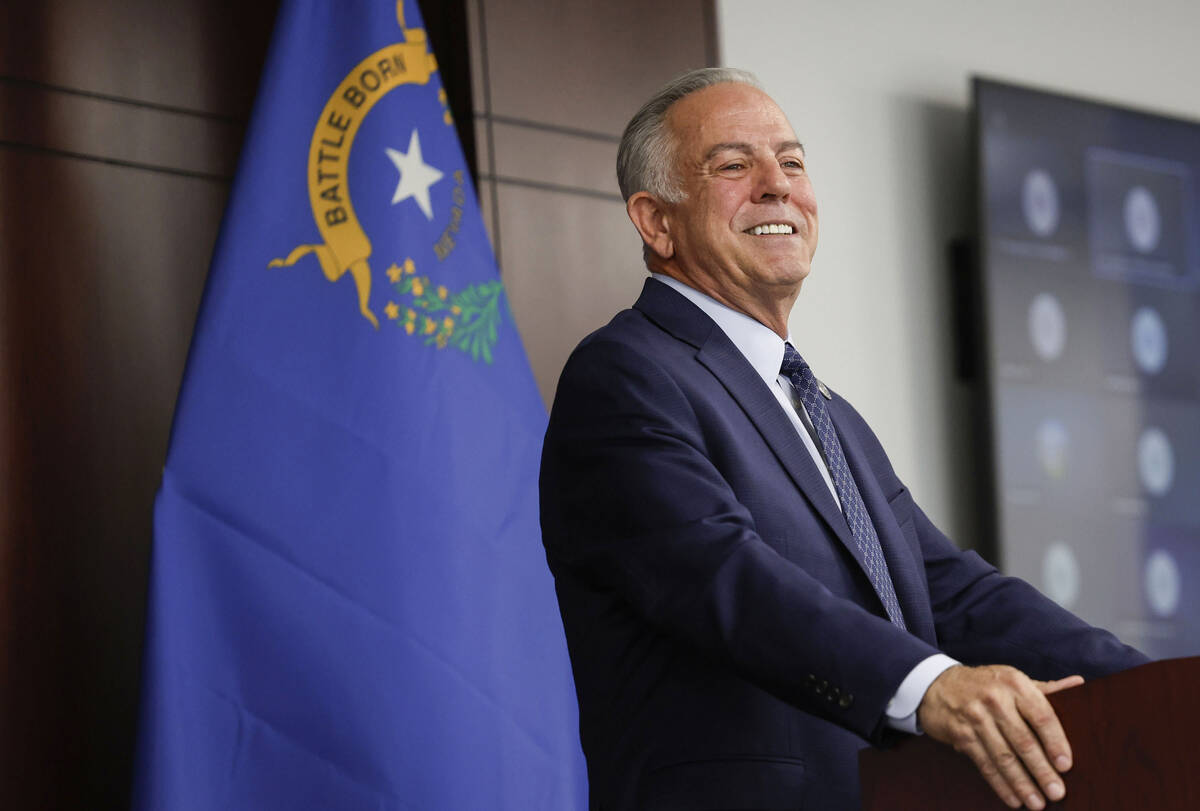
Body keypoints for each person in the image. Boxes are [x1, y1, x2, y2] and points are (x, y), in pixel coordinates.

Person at [538, 67, 1147, 811]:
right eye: (734, 165)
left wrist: (1152, 685)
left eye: (791, 162)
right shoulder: (625, 374)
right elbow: (725, 577)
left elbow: (951, 589)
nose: (777, 184)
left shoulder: (825, 409)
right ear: (656, 221)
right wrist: (931, 686)